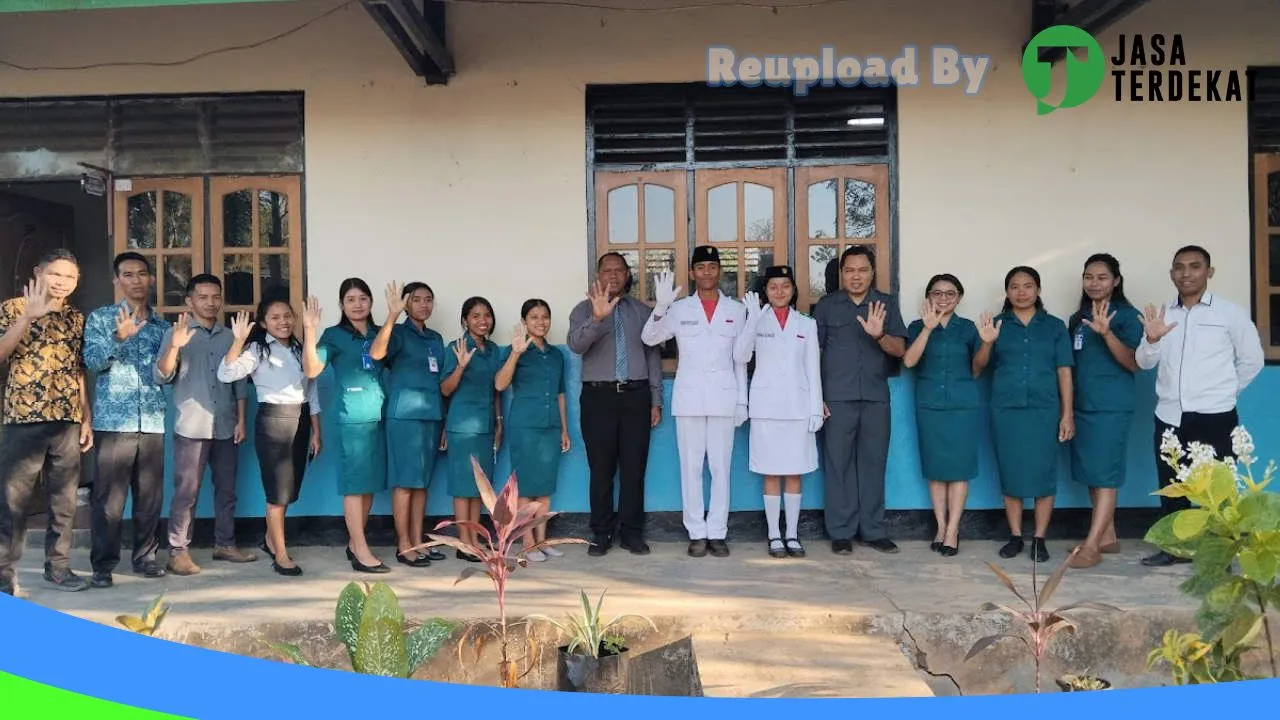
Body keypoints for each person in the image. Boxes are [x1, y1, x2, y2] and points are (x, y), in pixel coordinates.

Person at [1135, 245, 1264, 568]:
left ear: (1209, 272)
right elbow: (1143, 361)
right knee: (1171, 485)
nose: (1186, 273)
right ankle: (1175, 549)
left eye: (1194, 267)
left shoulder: (1229, 313)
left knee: (1220, 486)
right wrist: (1151, 340)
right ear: (1171, 274)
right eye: (1179, 267)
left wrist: (1224, 394)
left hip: (1215, 416)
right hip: (1170, 415)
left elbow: (1252, 360)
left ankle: (1221, 552)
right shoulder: (1162, 315)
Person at [642, 247, 747, 557]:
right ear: (692, 273)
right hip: (689, 398)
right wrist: (661, 307)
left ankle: (717, 531)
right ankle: (696, 532)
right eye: (700, 267)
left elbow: (740, 360)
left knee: (720, 467)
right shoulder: (679, 309)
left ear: (719, 272)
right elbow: (649, 338)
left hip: (724, 398)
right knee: (691, 468)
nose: (706, 273)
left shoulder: (737, 310)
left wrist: (742, 401)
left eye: (712, 267)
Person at [0, 250, 94, 595]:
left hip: (66, 421)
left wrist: (86, 416)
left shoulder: (75, 318)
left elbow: (78, 370)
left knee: (64, 501)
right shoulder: (12, 308)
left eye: (70, 277)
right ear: (38, 271)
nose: (61, 282)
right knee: (12, 501)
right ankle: (4, 573)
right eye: (55, 274)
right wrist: (27, 318)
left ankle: (57, 567)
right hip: (23, 418)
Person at [153, 274, 257, 576]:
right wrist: (174, 347)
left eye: (215, 296)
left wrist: (241, 419)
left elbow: (239, 382)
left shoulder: (230, 336)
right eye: (203, 297)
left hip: (226, 424)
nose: (210, 302)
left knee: (227, 490)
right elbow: (162, 375)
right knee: (187, 491)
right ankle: (178, 551)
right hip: (192, 426)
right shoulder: (178, 334)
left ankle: (225, 544)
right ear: (189, 301)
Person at [973, 266, 1074, 563]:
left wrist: (1067, 414)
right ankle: (1016, 535)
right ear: (1006, 292)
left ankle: (1040, 538)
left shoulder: (1054, 327)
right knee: (1011, 470)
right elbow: (978, 368)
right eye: (1014, 286)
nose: (1021, 292)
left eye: (1028, 286)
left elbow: (1064, 371)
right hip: (1006, 410)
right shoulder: (996, 325)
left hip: (1045, 409)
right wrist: (987, 342)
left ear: (1038, 290)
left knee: (1045, 472)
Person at [566, 252, 662, 557]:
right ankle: (602, 532)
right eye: (607, 270)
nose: (613, 275)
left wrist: (655, 399)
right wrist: (597, 318)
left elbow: (652, 357)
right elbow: (576, 345)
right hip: (598, 397)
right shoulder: (583, 310)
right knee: (601, 468)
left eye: (619, 270)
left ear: (627, 275)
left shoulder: (642, 312)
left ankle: (632, 532)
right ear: (598, 275)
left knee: (634, 468)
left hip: (636, 395)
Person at [218, 294, 322, 576]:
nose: (283, 322)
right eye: (275, 317)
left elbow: (311, 392)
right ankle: (281, 553)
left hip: (299, 420)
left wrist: (316, 432)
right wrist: (239, 340)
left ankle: (269, 539)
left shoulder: (301, 349)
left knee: (288, 490)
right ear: (263, 323)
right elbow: (226, 374)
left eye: (287, 315)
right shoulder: (257, 350)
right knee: (277, 492)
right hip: (273, 420)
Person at [84, 252, 171, 587]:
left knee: (149, 498)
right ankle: (103, 565)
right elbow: (92, 361)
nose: (136, 280)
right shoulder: (101, 319)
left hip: (151, 419)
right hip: (114, 422)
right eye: (128, 274)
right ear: (117, 280)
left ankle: (145, 557)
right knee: (109, 499)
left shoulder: (162, 326)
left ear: (150, 279)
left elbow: (168, 375)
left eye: (142, 274)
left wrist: (174, 351)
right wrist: (118, 337)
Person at [813, 245, 907, 555]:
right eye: (850, 270)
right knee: (837, 464)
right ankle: (840, 532)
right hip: (836, 398)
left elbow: (900, 351)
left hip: (875, 396)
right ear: (842, 274)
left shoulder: (886, 304)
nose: (856, 276)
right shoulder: (827, 306)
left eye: (862, 270)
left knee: (873, 463)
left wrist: (879, 335)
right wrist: (817, 397)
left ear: (872, 272)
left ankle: (873, 530)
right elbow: (814, 354)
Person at [733, 265, 822, 559]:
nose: (780, 292)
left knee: (794, 472)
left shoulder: (806, 324)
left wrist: (815, 409)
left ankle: (792, 534)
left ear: (793, 290)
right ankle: (773, 534)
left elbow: (813, 369)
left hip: (797, 407)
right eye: (773, 287)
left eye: (785, 286)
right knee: (770, 472)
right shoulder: (757, 320)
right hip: (766, 408)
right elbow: (740, 356)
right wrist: (752, 323)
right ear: (765, 291)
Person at [304, 278, 390, 574]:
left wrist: (394, 315)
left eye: (363, 298)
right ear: (342, 305)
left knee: (368, 485)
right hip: (350, 417)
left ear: (371, 303)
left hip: (377, 415)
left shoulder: (380, 333)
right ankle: (360, 546)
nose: (357, 304)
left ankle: (356, 543)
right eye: (351, 299)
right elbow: (312, 369)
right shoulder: (334, 335)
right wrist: (310, 329)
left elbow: (384, 359)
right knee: (354, 486)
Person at [1065, 254, 1143, 570]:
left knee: (1106, 476)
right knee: (1093, 475)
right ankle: (1108, 535)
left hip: (1111, 407)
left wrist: (1107, 333)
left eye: (1101, 277)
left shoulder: (1126, 317)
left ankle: (1093, 544)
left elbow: (1134, 362)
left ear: (1116, 281)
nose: (1094, 283)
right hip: (1083, 406)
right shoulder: (1078, 318)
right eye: (1089, 277)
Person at [368, 281, 448, 568]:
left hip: (431, 415)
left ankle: (418, 541)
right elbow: (377, 354)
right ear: (406, 304)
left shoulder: (436, 338)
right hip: (404, 416)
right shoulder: (399, 333)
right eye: (416, 300)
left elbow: (441, 381)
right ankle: (403, 544)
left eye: (428, 299)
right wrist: (391, 315)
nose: (424, 305)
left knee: (422, 484)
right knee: (404, 482)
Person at [903, 273, 981, 558]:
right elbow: (909, 361)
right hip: (930, 405)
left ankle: (953, 529)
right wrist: (927, 329)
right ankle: (940, 526)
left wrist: (987, 344)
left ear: (959, 297)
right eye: (937, 293)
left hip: (962, 407)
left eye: (950, 293)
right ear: (928, 297)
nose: (944, 298)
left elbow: (978, 368)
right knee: (935, 469)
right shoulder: (915, 326)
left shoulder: (969, 328)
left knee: (959, 470)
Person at [494, 299, 570, 563]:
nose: (540, 322)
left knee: (546, 487)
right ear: (524, 322)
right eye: (534, 317)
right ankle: (527, 543)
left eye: (545, 317)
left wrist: (564, 429)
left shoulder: (556, 354)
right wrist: (515, 353)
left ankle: (543, 540)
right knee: (526, 488)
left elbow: (561, 394)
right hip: (525, 426)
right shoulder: (515, 350)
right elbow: (500, 384)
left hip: (550, 426)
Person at [439, 296, 506, 563]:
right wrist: (461, 366)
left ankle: (474, 537)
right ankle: (463, 541)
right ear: (465, 320)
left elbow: (497, 390)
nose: (482, 321)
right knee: (463, 486)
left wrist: (499, 422)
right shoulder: (455, 348)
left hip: (485, 425)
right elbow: (445, 389)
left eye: (486, 315)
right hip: (461, 426)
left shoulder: (494, 351)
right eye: (476, 316)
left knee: (480, 487)